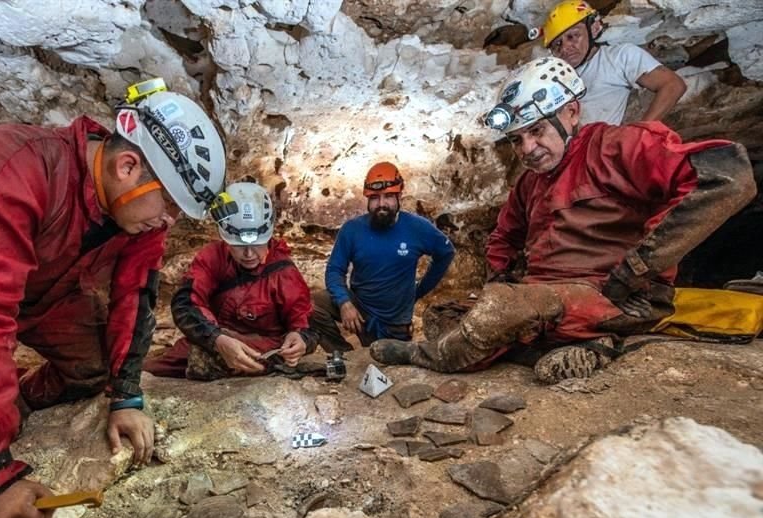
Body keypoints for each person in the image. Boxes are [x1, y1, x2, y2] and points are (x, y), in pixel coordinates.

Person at [0, 78, 227, 518]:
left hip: (45, 280)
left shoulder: (139, 221)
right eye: (170, 205)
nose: (169, 221)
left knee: (92, 369)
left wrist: (125, 396)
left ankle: (13, 403)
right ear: (128, 166)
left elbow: (134, 297)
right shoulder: (10, 165)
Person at [370, 57, 756, 382]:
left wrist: (637, 268)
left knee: (501, 310)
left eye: (536, 131)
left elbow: (728, 179)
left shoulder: (618, 146)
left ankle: (428, 357)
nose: (527, 149)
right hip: (545, 297)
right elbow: (504, 235)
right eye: (517, 140)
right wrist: (500, 276)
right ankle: (575, 345)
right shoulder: (530, 183)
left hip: (612, 297)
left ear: (571, 112)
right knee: (446, 313)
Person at [144, 182, 317, 379]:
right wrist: (216, 338)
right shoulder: (211, 258)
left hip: (261, 348)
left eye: (258, 245)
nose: (249, 254)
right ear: (225, 238)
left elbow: (304, 319)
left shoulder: (283, 272)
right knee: (150, 371)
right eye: (238, 246)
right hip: (212, 339)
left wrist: (301, 338)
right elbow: (186, 304)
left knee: (206, 362)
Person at [310, 162, 456, 352]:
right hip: (359, 309)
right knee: (309, 304)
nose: (381, 204)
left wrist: (418, 291)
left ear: (399, 196)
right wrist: (344, 302)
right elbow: (335, 270)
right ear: (367, 200)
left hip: (393, 324)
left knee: (383, 365)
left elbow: (445, 253)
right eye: (375, 198)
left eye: (388, 196)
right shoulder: (352, 229)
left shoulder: (417, 227)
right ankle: (342, 355)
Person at [542, 0, 686, 125]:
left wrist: (640, 133)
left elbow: (673, 85)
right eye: (557, 44)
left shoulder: (619, 57)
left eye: (573, 36)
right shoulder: (553, 78)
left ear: (593, 28)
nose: (565, 48)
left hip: (598, 149)